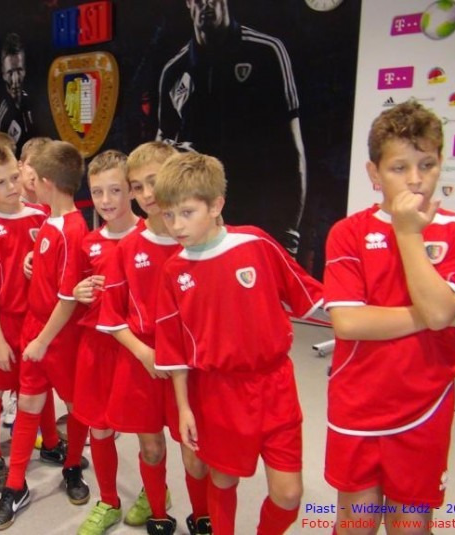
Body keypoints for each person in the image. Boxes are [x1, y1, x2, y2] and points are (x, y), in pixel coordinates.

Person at [323, 102, 455, 534]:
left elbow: (438, 310)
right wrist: (437, 316)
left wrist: (408, 232)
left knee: (411, 526)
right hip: (357, 403)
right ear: (374, 173)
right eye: (399, 167)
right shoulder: (348, 233)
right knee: (354, 524)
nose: (415, 179)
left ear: (441, 164)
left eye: (427, 164)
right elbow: (349, 323)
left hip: (424, 406)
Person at [153, 152, 324, 535]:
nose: (176, 225)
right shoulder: (173, 271)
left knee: (288, 494)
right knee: (223, 479)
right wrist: (184, 408)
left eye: (187, 213)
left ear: (216, 205)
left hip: (275, 387)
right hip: (217, 392)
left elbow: (308, 294)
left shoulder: (255, 243)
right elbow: (174, 351)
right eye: (169, 215)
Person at [97, 142, 211, 535]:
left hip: (192, 367)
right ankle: (159, 514)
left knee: (195, 451)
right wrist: (145, 353)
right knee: (150, 447)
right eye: (137, 186)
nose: (148, 194)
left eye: (154, 181)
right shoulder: (128, 247)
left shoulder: (198, 241)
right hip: (143, 363)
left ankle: (203, 516)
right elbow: (112, 316)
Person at [0, 140, 91, 531]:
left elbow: (68, 298)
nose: (27, 185)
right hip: (36, 328)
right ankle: (15, 485)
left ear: (47, 183)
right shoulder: (50, 221)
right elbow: (53, 271)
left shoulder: (73, 229)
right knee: (29, 403)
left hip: (58, 336)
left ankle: (71, 467)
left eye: (33, 179)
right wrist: (35, 258)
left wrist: (42, 341)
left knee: (75, 405)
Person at [156, 0, 306, 254]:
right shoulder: (174, 70)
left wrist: (289, 232)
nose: (206, 4)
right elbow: (160, 152)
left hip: (258, 217)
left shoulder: (265, 51)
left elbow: (292, 149)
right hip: (200, 227)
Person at [0, 141, 60, 490]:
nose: (10, 187)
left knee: (38, 384)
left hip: (35, 320)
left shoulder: (40, 216)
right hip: (2, 324)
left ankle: (50, 442)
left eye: (13, 178)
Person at [69, 150, 142, 535]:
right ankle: (109, 501)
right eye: (97, 192)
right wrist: (79, 290)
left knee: (148, 430)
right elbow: (75, 286)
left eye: (115, 190)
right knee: (98, 426)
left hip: (137, 350)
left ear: (132, 189)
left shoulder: (151, 236)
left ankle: (154, 491)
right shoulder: (90, 242)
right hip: (96, 347)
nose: (106, 200)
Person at [0, 33, 34, 153]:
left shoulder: (30, 102)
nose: (15, 79)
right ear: (3, 74)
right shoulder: (2, 113)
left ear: (25, 70)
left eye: (19, 71)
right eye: (10, 73)